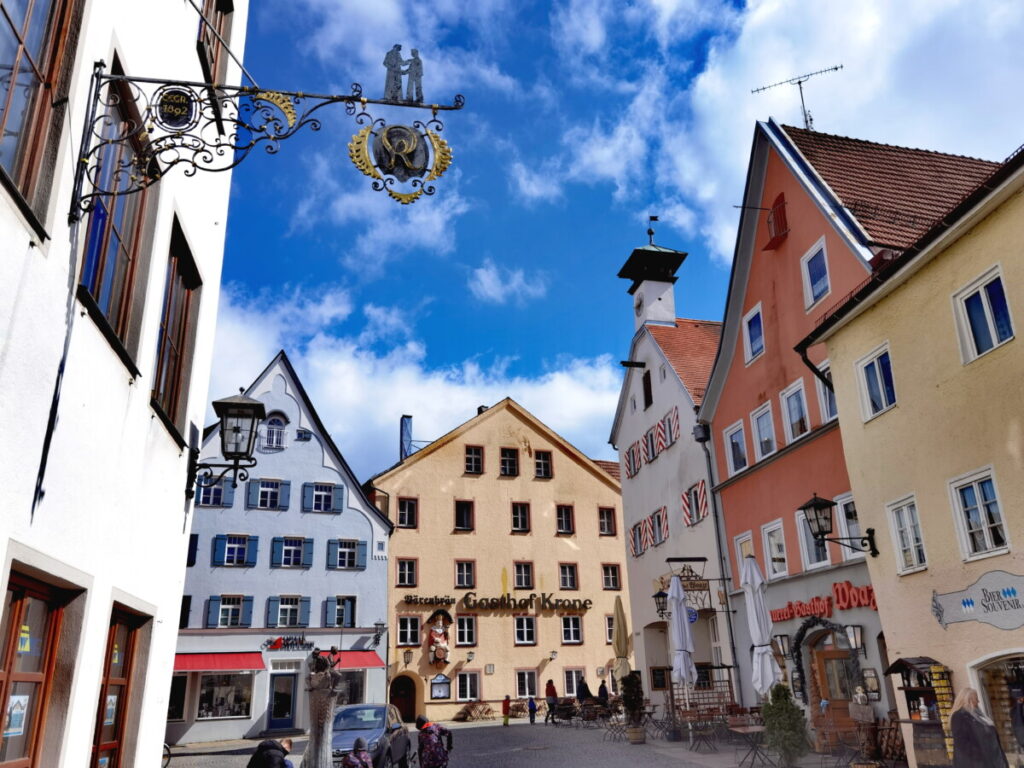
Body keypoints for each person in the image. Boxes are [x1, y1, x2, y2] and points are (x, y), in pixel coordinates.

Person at [950, 686, 1008, 768]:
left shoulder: (979, 715)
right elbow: (962, 743)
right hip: (977, 763)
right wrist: (980, 758)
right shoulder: (959, 716)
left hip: (992, 759)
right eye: (976, 699)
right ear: (968, 700)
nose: (978, 701)